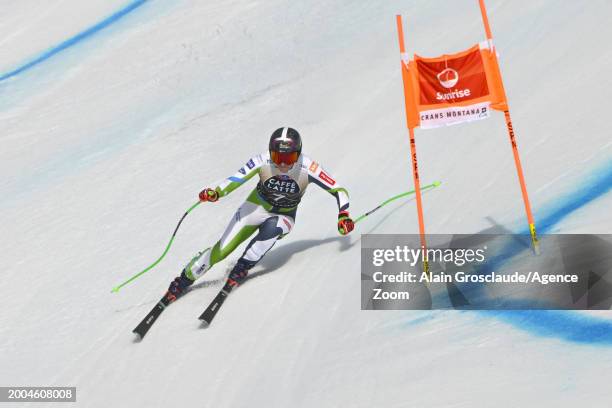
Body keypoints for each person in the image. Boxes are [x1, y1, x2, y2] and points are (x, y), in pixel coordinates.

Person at [164, 127, 354, 303]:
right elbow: (236, 179)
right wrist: (216, 193)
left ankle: (242, 267)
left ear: (298, 154)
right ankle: (185, 278)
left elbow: (338, 190)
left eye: (288, 159)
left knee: (272, 230)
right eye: (277, 156)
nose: (281, 163)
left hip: (284, 216)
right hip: (255, 207)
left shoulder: (309, 167)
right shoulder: (262, 160)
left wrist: (343, 214)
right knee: (222, 250)